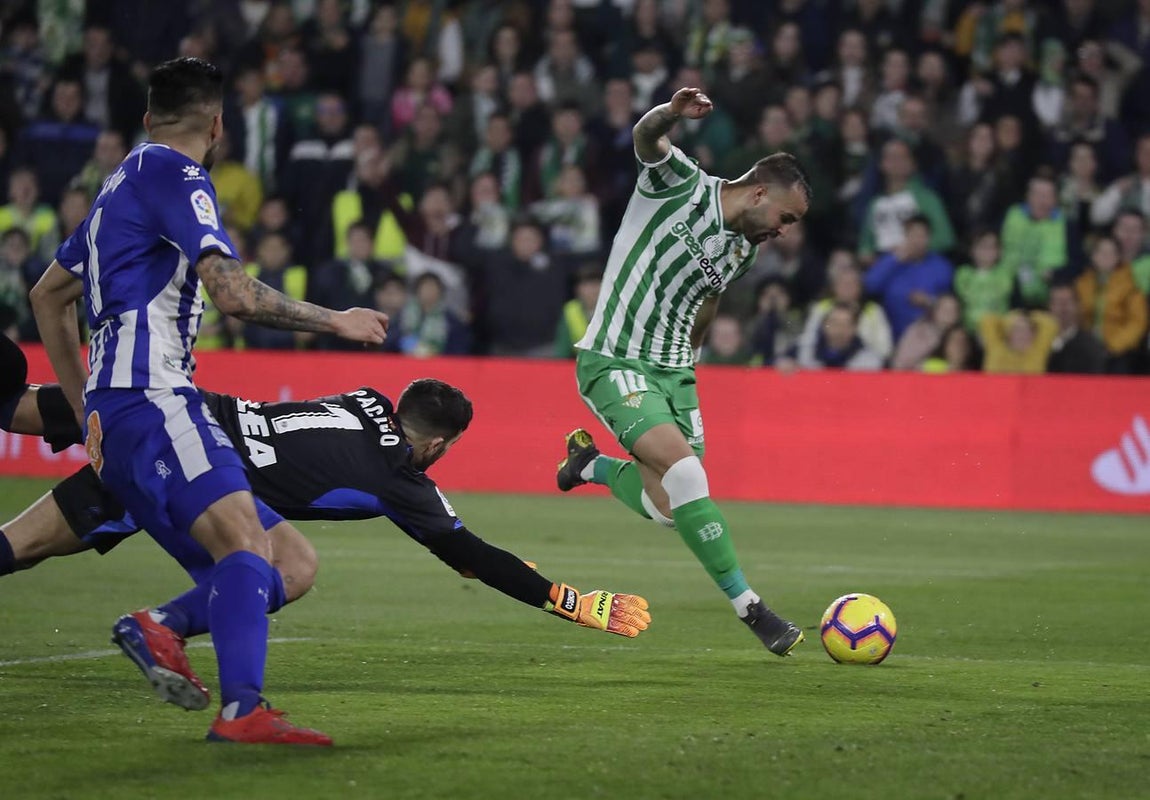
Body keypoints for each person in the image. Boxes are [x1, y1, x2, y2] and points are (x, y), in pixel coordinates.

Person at [29, 58, 388, 746]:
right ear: (218, 124)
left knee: (291, 564)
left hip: (125, 412)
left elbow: (47, 295)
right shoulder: (179, 176)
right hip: (157, 398)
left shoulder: (118, 187)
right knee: (249, 549)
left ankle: (180, 638)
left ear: (146, 119)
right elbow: (231, 291)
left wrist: (84, 411)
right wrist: (333, 319)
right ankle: (231, 701)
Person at [0, 351, 650, 655]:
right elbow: (472, 555)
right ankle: (161, 625)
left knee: (19, 535)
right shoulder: (401, 477)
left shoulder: (361, 400)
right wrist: (569, 600)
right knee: (289, 567)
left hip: (180, 411)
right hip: (192, 474)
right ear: (442, 444)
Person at [556, 86, 809, 656]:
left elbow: (710, 297)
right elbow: (645, 138)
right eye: (785, 218)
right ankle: (753, 610)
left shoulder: (743, 251)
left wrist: (692, 358)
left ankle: (589, 465)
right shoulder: (682, 184)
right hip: (615, 358)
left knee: (669, 507)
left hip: (675, 372)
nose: (784, 231)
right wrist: (670, 113)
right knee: (688, 476)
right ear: (761, 192)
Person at [1046, 282, 1107, 374]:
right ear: (1050, 306)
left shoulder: (1090, 346)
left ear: (1078, 305)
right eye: (1058, 302)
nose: (1063, 308)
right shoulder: (1042, 341)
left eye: (1067, 302)